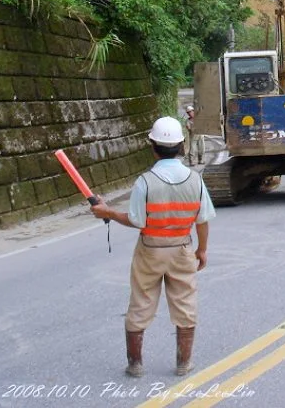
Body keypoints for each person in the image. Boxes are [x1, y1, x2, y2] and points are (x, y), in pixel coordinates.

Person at [90, 116, 215, 378]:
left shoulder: (144, 182)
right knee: (185, 304)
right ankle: (184, 363)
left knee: (141, 302)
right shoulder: (195, 180)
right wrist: (202, 250)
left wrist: (107, 211)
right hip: (182, 248)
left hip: (150, 250)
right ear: (182, 145)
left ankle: (135, 364)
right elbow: (202, 221)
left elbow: (136, 220)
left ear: (153, 146)